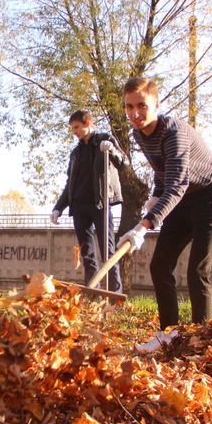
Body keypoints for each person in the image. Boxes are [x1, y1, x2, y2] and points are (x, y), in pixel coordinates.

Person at [118, 77, 212, 354]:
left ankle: (202, 339)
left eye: (142, 105)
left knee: (197, 270)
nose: (135, 114)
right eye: (129, 107)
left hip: (210, 195)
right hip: (182, 199)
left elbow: (178, 183)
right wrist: (156, 196)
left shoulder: (174, 132)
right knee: (160, 265)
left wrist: (144, 225)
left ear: (157, 103)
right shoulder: (139, 134)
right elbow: (162, 171)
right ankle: (168, 334)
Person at [51, 110, 127, 292]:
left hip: (99, 204)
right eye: (72, 128)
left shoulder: (104, 140)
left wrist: (112, 150)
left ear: (87, 123)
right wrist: (58, 208)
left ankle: (114, 294)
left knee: (108, 251)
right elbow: (71, 183)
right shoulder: (75, 153)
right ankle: (93, 292)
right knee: (87, 253)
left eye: (76, 127)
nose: (74, 132)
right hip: (79, 206)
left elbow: (124, 163)